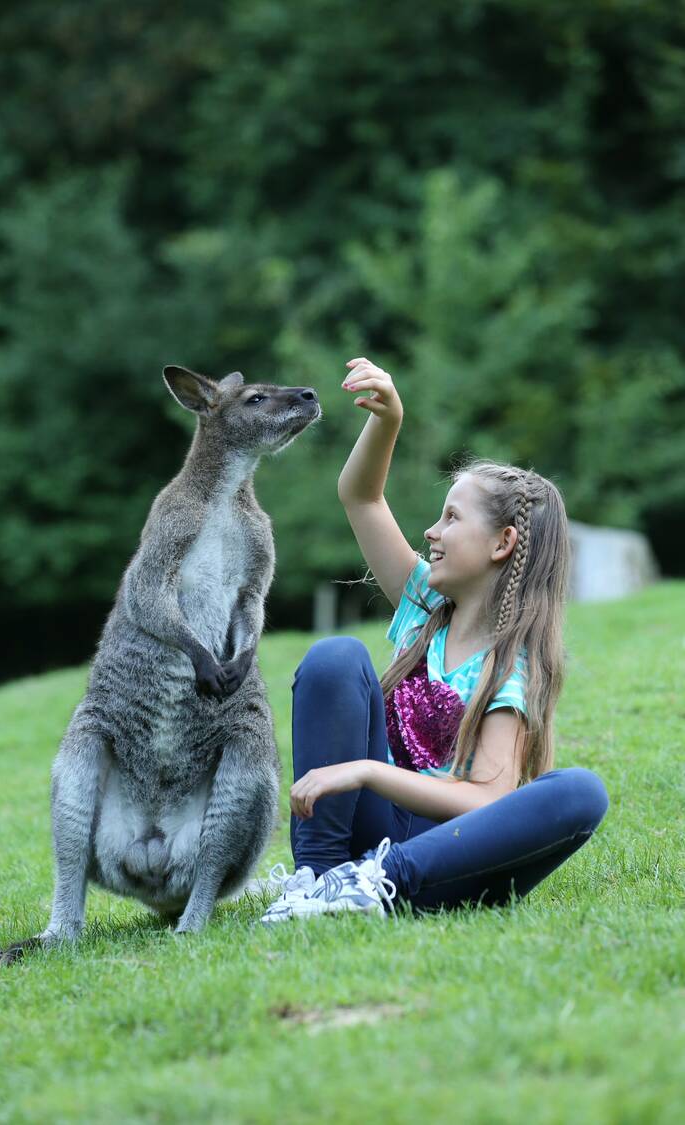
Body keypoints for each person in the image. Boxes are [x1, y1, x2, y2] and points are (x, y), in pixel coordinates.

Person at [260, 356, 609, 924]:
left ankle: (373, 886)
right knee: (337, 656)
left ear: (502, 544)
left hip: (444, 862)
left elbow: (486, 801)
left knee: (581, 792)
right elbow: (362, 498)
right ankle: (319, 882)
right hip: (370, 839)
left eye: (450, 518)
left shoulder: (509, 668)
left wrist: (369, 772)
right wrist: (387, 421)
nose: (431, 531)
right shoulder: (424, 609)